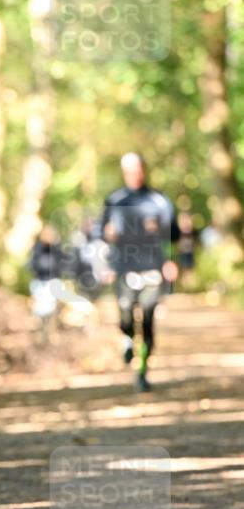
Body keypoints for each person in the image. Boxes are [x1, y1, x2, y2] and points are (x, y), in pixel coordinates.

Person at [97, 152, 179, 392]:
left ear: (145, 169)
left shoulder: (158, 200)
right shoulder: (115, 200)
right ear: (124, 173)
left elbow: (174, 234)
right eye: (130, 170)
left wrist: (169, 260)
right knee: (125, 316)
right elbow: (100, 233)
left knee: (148, 318)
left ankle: (142, 373)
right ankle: (127, 339)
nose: (136, 174)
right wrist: (107, 240)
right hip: (124, 267)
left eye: (139, 169)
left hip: (152, 267)